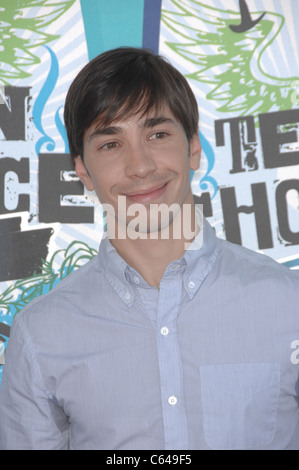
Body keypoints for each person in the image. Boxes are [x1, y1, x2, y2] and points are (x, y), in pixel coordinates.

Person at [0, 47, 298, 451]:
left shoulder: (288, 303)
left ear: (193, 148)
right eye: (110, 143)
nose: (140, 166)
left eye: (157, 135)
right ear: (82, 171)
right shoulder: (40, 334)